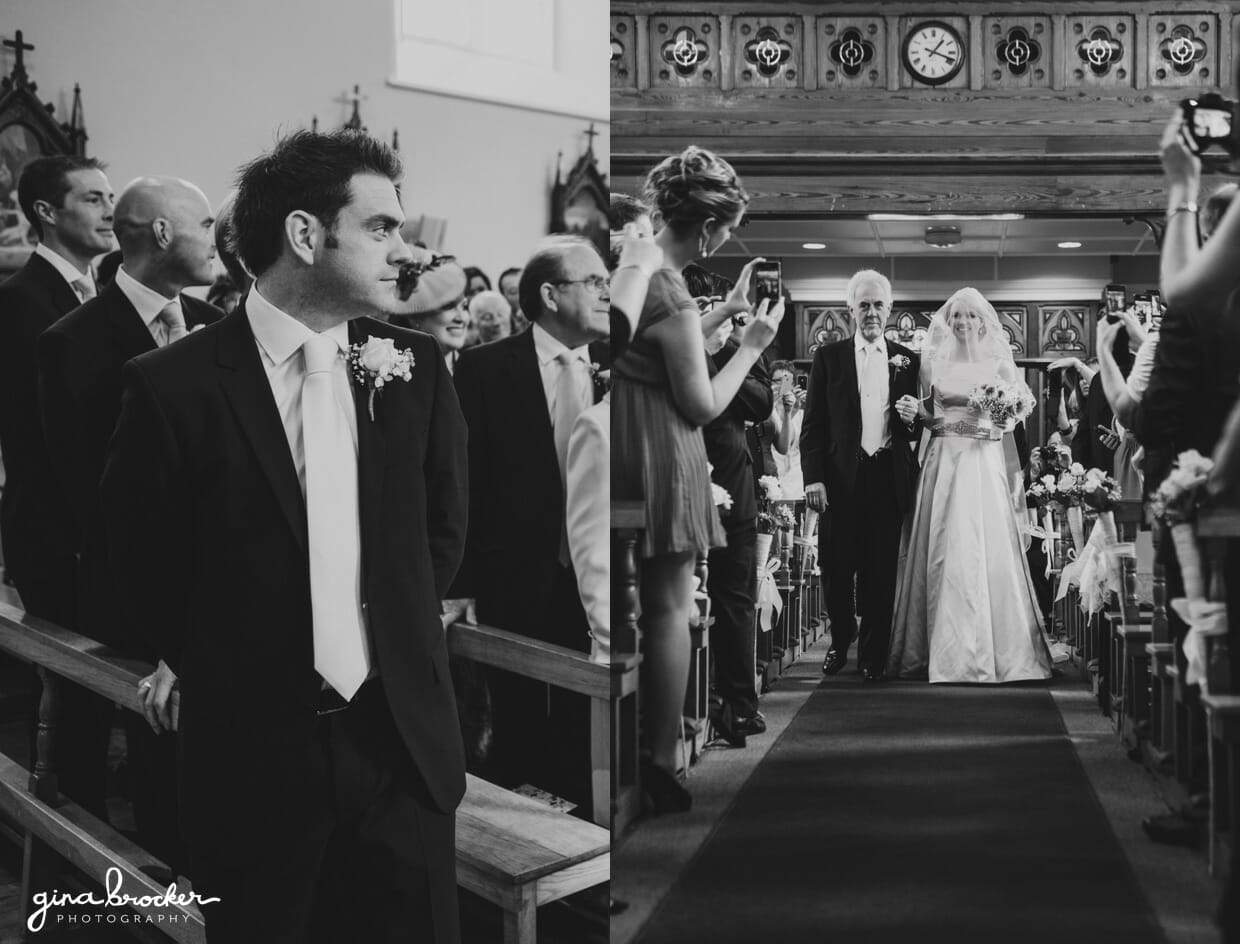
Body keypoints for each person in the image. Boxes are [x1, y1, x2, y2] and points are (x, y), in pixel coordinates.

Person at [99, 130, 468, 942]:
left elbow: (440, 535)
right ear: (305, 235)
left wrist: (393, 642)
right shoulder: (173, 386)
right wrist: (232, 666)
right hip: (253, 755)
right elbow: (139, 569)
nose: (404, 252)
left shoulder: (413, 369)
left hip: (400, 744)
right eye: (381, 228)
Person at [38, 176, 223, 870]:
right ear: (162, 233)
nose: (217, 239)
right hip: (136, 589)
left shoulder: (211, 324)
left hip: (222, 581)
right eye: (204, 224)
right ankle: (158, 892)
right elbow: (87, 488)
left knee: (208, 761)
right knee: (150, 753)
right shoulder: (75, 341)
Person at [612, 145, 783, 811]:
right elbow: (703, 403)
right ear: (710, 230)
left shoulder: (645, 275)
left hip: (623, 435)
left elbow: (657, 336)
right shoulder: (674, 294)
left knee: (623, 605)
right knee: (668, 609)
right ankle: (659, 760)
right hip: (664, 446)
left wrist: (718, 314)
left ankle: (637, 741)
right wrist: (751, 344)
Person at [446, 235, 610, 812]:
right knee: (514, 711)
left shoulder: (618, 365)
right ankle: (519, 831)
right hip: (514, 570)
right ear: (550, 293)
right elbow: (464, 479)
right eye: (593, 283)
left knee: (583, 714)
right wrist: (460, 584)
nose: (605, 292)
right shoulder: (485, 368)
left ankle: (582, 828)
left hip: (597, 575)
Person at [0, 155, 114, 817]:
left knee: (106, 689)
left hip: (101, 524)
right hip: (54, 529)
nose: (108, 210)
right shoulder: (18, 304)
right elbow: (32, 434)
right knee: (75, 696)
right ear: (47, 211)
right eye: (94, 198)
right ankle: (80, 842)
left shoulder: (105, 293)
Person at [886, 287, 1052, 683]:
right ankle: (936, 649)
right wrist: (916, 412)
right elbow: (929, 413)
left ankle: (991, 649)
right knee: (942, 546)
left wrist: (999, 418)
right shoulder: (933, 361)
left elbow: (1011, 421)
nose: (962, 322)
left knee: (982, 546)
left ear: (983, 320)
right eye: (956, 316)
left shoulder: (1000, 362)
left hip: (981, 462)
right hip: (943, 459)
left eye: (970, 316)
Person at [801, 269, 920, 682]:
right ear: (851, 309)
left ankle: (872, 654)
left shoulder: (908, 359)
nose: (871, 312)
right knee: (836, 569)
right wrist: (813, 478)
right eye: (864, 305)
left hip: (887, 476)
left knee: (880, 573)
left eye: (878, 305)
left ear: (890, 310)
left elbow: (914, 429)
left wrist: (912, 419)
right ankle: (841, 637)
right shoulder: (828, 358)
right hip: (838, 480)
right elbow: (812, 425)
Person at [767, 359, 805, 498]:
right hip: (772, 478)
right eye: (777, 380)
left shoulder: (800, 412)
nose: (782, 385)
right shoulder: (767, 412)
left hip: (797, 479)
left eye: (787, 380)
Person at [498, 265, 528, 333]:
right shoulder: (499, 327)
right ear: (503, 298)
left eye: (527, 288)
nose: (523, 295)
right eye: (514, 292)